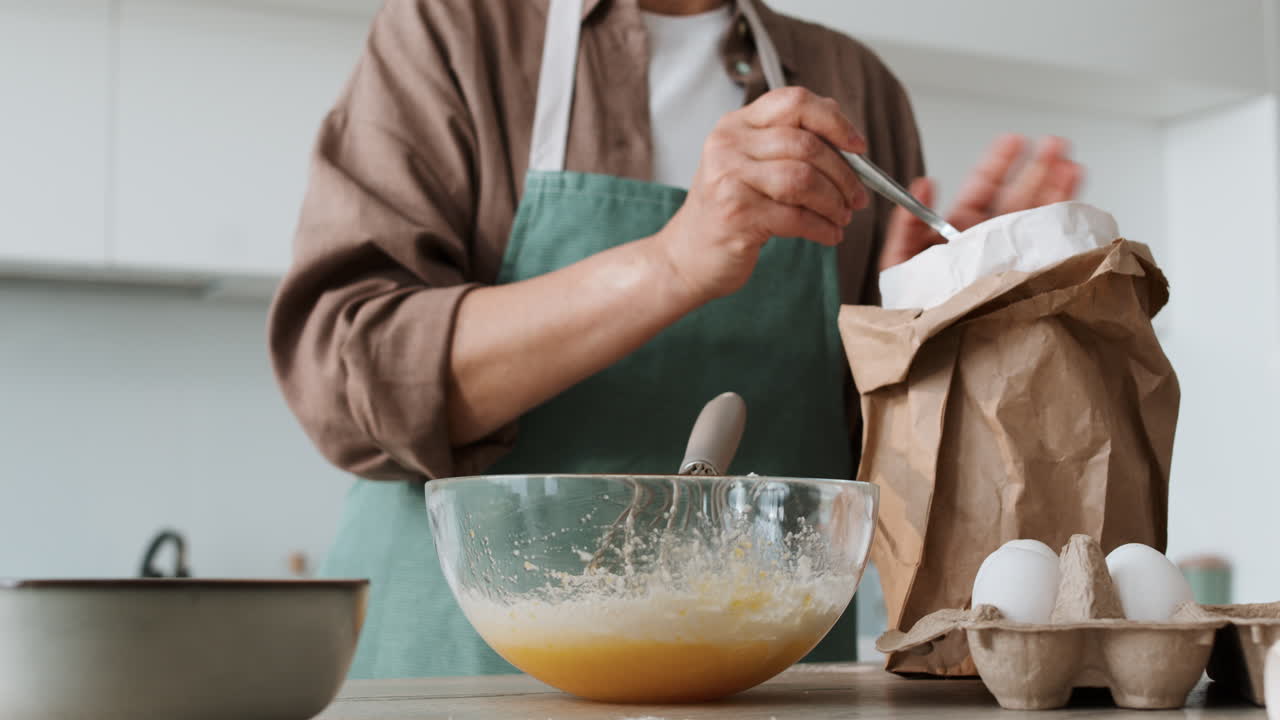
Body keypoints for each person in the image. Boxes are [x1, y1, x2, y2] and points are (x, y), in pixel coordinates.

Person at [268, 0, 1082, 680]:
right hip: (462, 672)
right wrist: (673, 260)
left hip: (763, 681)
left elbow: (880, 481)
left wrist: (928, 331)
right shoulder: (457, 32)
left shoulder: (852, 87)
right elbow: (351, 377)